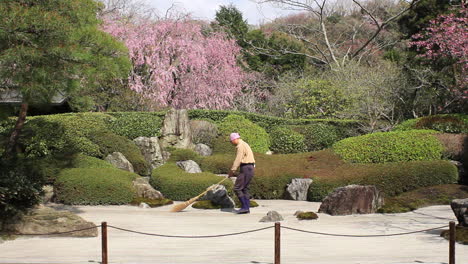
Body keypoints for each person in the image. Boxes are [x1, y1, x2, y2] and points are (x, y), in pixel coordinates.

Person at [228, 132, 255, 214]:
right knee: (244, 188)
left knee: (237, 188)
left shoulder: (240, 146)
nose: (231, 143)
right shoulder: (245, 144)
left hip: (246, 168)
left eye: (231, 141)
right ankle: (246, 208)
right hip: (250, 167)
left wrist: (232, 171)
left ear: (234, 139)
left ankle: (245, 207)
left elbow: (238, 159)